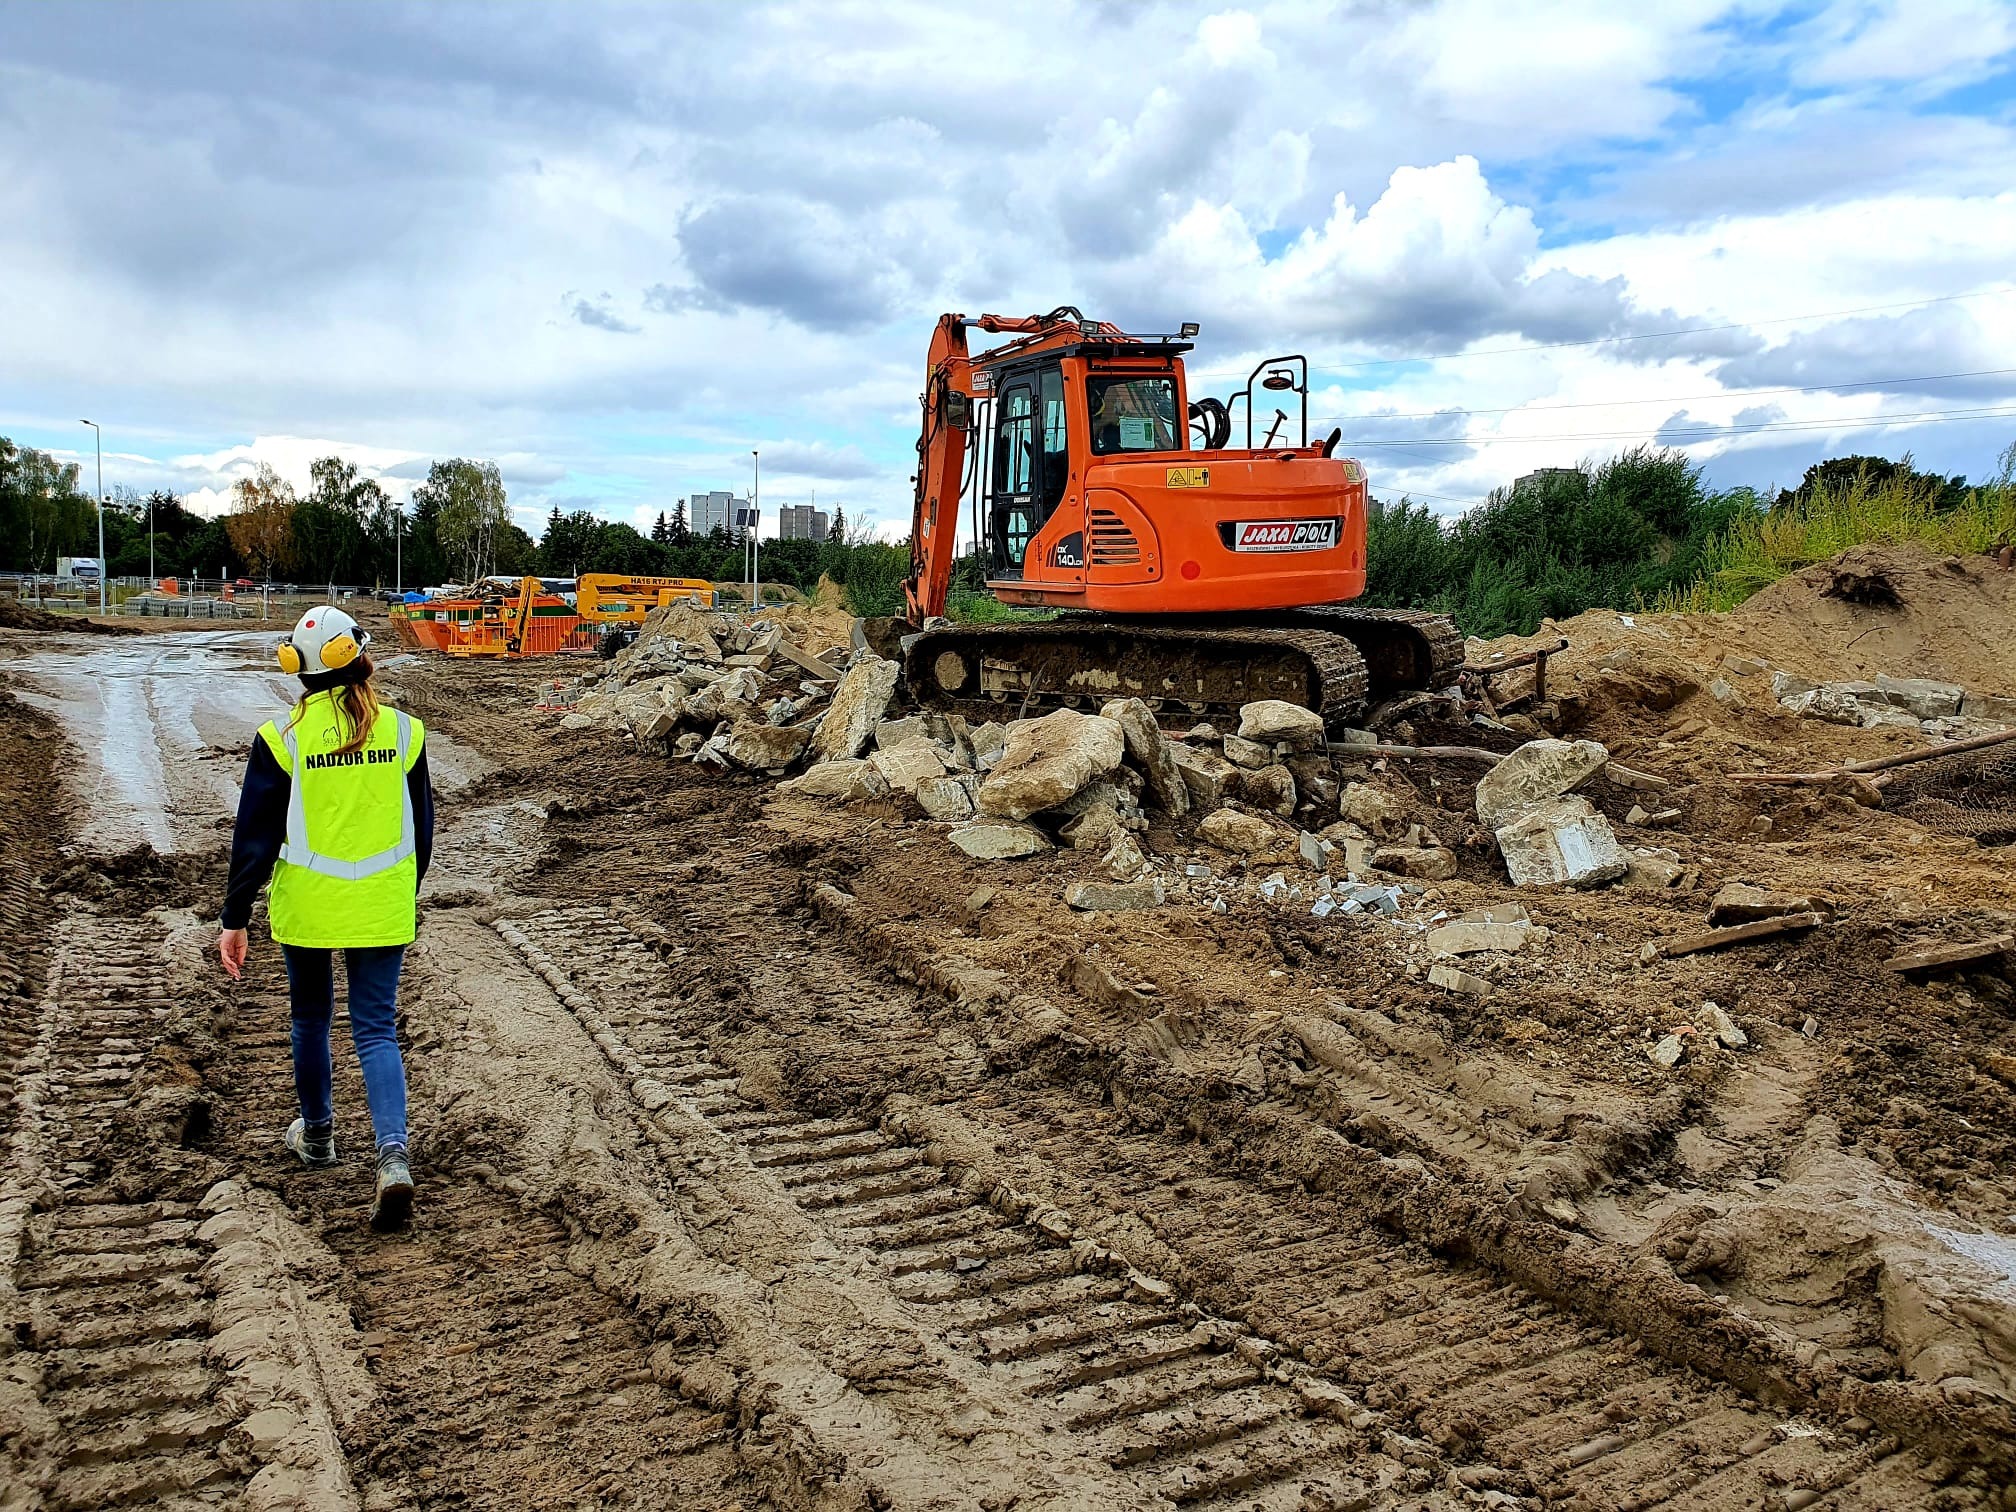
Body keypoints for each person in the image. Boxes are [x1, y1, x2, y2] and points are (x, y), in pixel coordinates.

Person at [217, 605, 434, 1231]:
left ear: (298, 671)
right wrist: (399, 891)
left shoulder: (281, 739)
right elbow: (422, 831)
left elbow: (253, 839)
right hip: (380, 906)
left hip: (308, 906)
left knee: (310, 1018)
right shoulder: (404, 732)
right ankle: (392, 1156)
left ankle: (317, 1138)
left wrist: (236, 914)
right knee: (375, 1029)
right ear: (362, 655)